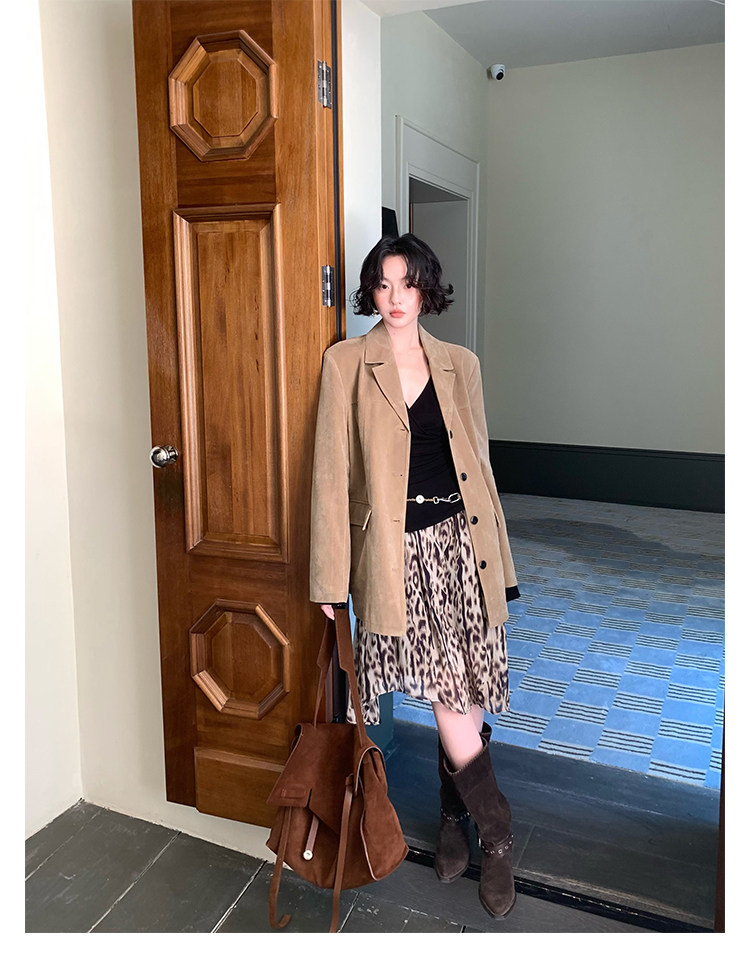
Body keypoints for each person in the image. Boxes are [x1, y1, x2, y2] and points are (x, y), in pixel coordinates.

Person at [309, 232, 521, 919]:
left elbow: (480, 466)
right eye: (383, 283)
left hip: (464, 546)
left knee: (467, 693)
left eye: (408, 283)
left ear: (428, 288)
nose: (395, 297)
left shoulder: (461, 363)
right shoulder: (346, 362)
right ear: (370, 290)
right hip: (398, 556)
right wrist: (328, 581)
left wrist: (500, 560)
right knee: (450, 695)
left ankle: (454, 818)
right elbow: (331, 477)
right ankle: (498, 836)